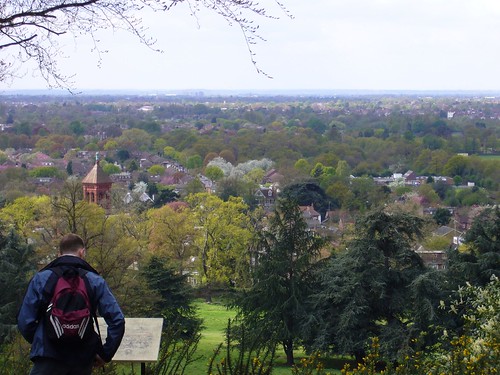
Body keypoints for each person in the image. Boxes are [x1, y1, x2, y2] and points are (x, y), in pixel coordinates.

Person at [18, 233, 125, 375]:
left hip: (47, 359)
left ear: (59, 253)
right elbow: (117, 321)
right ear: (82, 252)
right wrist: (106, 354)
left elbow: (25, 321)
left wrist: (42, 340)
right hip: (82, 360)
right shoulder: (94, 280)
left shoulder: (42, 279)